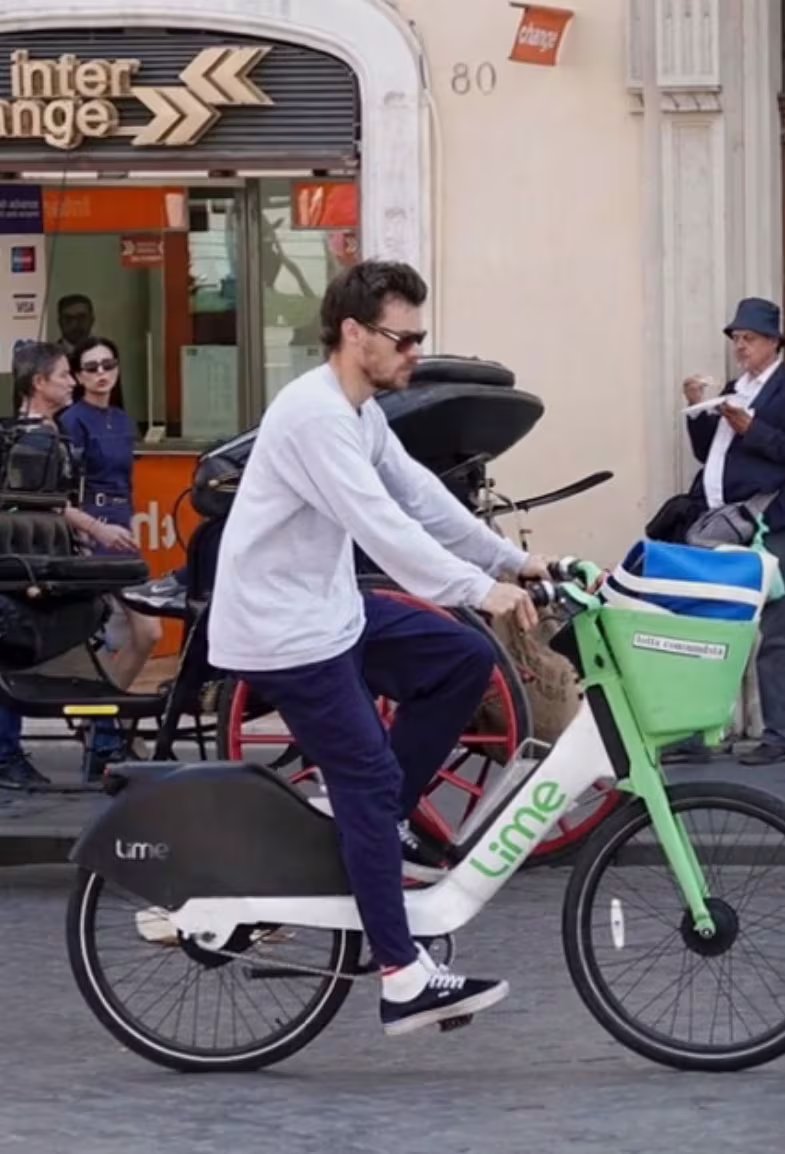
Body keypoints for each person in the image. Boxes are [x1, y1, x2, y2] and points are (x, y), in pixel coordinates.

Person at [208, 260, 548, 1037]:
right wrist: (476, 589)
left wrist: (510, 560)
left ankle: (374, 822)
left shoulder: (357, 411)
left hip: (327, 611)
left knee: (461, 662)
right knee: (364, 774)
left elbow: (418, 496)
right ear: (354, 333)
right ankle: (400, 975)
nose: (414, 355)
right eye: (404, 339)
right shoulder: (314, 417)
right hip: (281, 630)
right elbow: (381, 528)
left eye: (419, 338)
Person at [0, 343, 136, 789]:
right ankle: (12, 754)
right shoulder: (34, 439)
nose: (72, 381)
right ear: (39, 383)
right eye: (64, 374)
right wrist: (94, 529)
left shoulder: (41, 433)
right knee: (22, 654)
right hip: (31, 563)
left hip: (42, 558)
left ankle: (102, 740)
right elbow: (37, 504)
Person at [683, 297, 785, 765]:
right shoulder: (736, 387)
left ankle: (777, 735)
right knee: (709, 621)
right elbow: (711, 454)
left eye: (749, 339)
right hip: (725, 520)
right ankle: (700, 730)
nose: (740, 348)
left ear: (773, 341)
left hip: (771, 522)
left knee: (776, 631)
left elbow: (770, 446)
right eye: (736, 340)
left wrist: (753, 428)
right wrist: (697, 409)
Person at [60, 338, 161, 701]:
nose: (101, 373)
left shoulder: (122, 419)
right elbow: (65, 489)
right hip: (93, 526)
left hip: (122, 523)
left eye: (108, 365)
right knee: (105, 631)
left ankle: (104, 716)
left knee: (148, 632)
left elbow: (127, 479)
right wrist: (86, 532)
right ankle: (104, 721)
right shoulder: (71, 421)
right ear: (77, 376)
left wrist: (131, 519)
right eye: (91, 368)